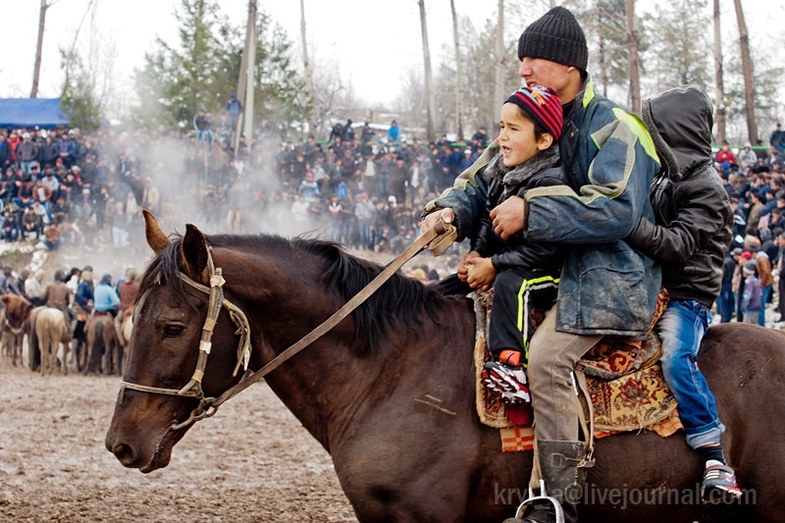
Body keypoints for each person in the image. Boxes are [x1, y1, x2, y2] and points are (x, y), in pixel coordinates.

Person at [421, 7, 661, 522]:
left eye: (534, 59)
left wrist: (532, 210)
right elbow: (482, 176)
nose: (524, 69)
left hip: (602, 279)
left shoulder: (617, 127)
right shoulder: (528, 113)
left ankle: (559, 502)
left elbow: (617, 208)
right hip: (529, 270)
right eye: (521, 59)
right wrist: (449, 212)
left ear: (569, 65)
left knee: (548, 359)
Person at [625, 85, 741, 501]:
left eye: (658, 134)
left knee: (675, 354)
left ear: (677, 134)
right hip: (653, 286)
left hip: (688, 295)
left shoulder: (707, 187)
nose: (654, 143)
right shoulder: (665, 176)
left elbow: (677, 243)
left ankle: (713, 453)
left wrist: (625, 223)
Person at [430, 86, 567, 405]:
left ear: (543, 140)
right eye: (501, 127)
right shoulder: (500, 173)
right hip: (506, 259)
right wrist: (476, 254)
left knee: (510, 284)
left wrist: (494, 266)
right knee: (443, 290)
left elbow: (545, 249)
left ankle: (512, 367)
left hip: (549, 269)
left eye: (514, 129)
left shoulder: (551, 182)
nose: (502, 137)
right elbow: (485, 221)